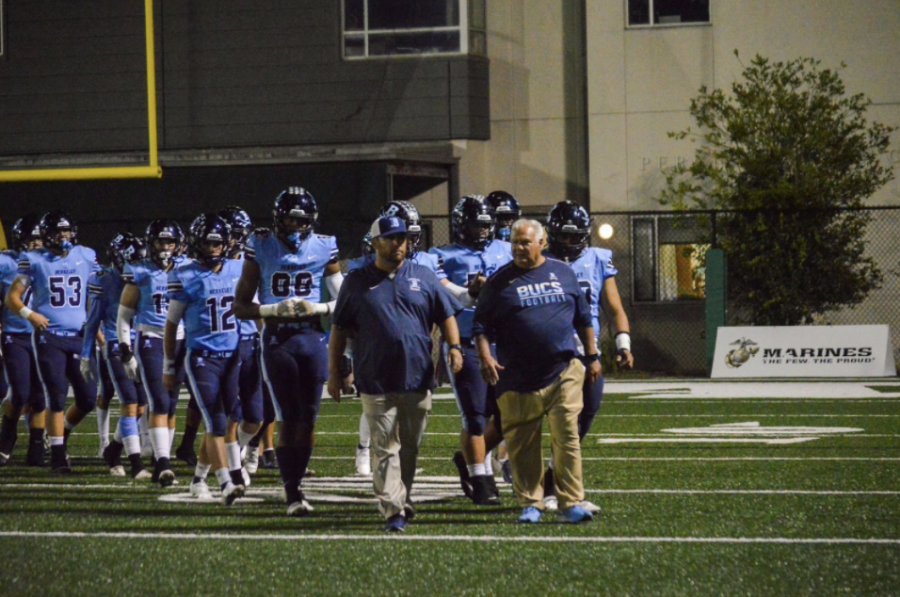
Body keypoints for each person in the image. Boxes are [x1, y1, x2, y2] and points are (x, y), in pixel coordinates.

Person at [328, 215, 464, 532]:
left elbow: (446, 315)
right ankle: (393, 509)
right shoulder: (357, 281)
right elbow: (339, 330)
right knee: (385, 446)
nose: (397, 243)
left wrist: (455, 347)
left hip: (417, 375)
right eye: (390, 238)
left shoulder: (424, 276)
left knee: (410, 447)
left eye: (401, 238)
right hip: (374, 377)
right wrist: (335, 371)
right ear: (374, 243)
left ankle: (402, 495)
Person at [472, 219, 598, 524]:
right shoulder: (498, 283)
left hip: (562, 368)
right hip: (516, 376)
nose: (518, 248)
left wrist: (592, 355)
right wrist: (485, 356)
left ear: (541, 243)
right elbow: (480, 327)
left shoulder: (563, 273)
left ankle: (571, 501)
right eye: (514, 242)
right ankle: (532, 502)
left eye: (525, 242)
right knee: (522, 443)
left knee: (567, 435)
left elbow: (583, 318)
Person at [233, 186, 344, 517]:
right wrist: (272, 311)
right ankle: (291, 490)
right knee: (286, 417)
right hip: (278, 340)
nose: (295, 228)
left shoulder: (325, 246)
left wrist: (319, 306)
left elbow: (345, 300)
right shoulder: (262, 245)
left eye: (301, 221)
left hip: (312, 337)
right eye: (289, 221)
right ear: (278, 220)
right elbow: (240, 306)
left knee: (308, 419)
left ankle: (296, 483)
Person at [543, 200, 634, 512]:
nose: (568, 243)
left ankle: (553, 475)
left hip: (587, 350)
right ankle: (550, 485)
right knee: (558, 419)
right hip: (550, 349)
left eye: (574, 236)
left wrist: (623, 344)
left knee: (587, 413)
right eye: (563, 236)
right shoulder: (540, 260)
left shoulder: (597, 259)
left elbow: (614, 307)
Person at [345, 200, 442, 477]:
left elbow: (437, 305)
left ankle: (394, 458)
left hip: (412, 343)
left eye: (410, 236)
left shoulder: (424, 263)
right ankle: (365, 449)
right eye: (399, 236)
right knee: (377, 398)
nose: (405, 242)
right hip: (373, 341)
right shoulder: (367, 265)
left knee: (408, 404)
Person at [429, 194, 512, 505]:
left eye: (485, 226)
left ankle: (467, 460)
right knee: (475, 416)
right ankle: (480, 476)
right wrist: (470, 292)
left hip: (505, 343)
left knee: (511, 415)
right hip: (465, 343)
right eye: (475, 226)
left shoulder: (508, 250)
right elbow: (441, 292)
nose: (481, 232)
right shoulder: (441, 255)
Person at [4, 211, 101, 473]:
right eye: (58, 232)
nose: (63, 236)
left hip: (80, 338)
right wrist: (30, 314)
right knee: (55, 396)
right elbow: (13, 297)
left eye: (66, 230)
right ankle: (58, 455)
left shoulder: (87, 255)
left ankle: (62, 435)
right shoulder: (33, 260)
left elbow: (98, 292)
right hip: (50, 337)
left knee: (88, 398)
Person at [165, 213, 245, 505]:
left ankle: (199, 478)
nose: (213, 249)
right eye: (208, 243)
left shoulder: (238, 268)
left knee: (227, 418)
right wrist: (169, 365)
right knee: (214, 421)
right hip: (202, 356)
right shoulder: (185, 274)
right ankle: (226, 482)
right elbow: (172, 325)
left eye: (218, 243)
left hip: (233, 355)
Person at [117, 219, 193, 484]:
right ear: (151, 243)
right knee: (159, 401)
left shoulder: (187, 268)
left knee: (171, 405)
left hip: (181, 340)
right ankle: (163, 462)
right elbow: (124, 314)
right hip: (150, 337)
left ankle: (163, 456)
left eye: (170, 241)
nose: (166, 247)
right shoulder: (140, 270)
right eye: (161, 241)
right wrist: (125, 349)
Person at [82, 232, 152, 479]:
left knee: (141, 407)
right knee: (129, 404)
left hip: (141, 344)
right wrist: (85, 354)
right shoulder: (103, 280)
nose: (136, 266)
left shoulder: (146, 276)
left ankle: (113, 450)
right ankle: (135, 464)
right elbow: (92, 321)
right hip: (114, 344)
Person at [0, 215, 46, 467]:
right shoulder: (6, 263)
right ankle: (7, 438)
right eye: (32, 239)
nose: (36, 244)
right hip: (15, 334)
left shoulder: (49, 261)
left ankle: (36, 446)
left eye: (39, 238)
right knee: (20, 392)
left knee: (39, 397)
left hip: (43, 336)